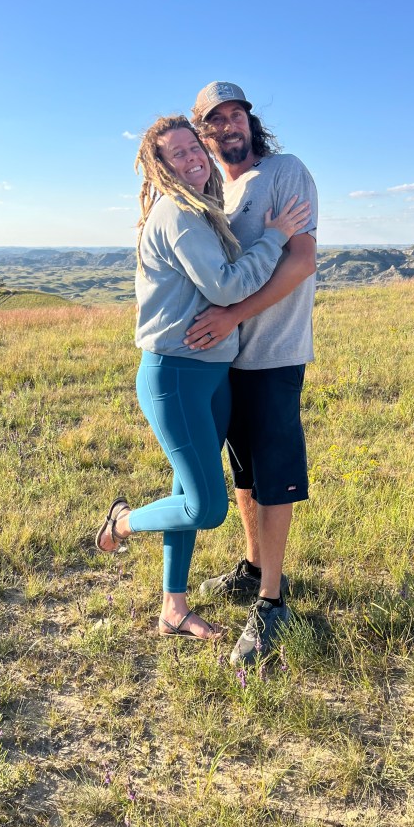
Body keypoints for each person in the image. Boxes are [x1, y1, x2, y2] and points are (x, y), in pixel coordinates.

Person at [94, 114, 310, 642]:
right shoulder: (180, 214)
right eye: (177, 153)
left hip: (214, 374)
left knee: (185, 489)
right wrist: (277, 234)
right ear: (160, 166)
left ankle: (173, 607)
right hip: (178, 373)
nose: (191, 158)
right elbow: (226, 287)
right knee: (205, 506)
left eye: (194, 148)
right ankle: (120, 522)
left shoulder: (204, 210)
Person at [187, 82, 318, 666]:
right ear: (203, 134)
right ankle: (253, 566)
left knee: (275, 475)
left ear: (250, 121)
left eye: (236, 113)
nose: (228, 125)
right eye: (215, 120)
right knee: (243, 473)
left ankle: (272, 602)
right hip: (224, 360)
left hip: (273, 352)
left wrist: (235, 315)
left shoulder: (285, 172)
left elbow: (302, 259)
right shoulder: (215, 191)